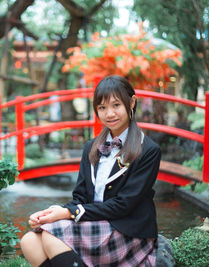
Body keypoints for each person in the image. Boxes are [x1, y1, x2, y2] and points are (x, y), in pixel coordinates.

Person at [20, 75, 161, 267]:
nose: (109, 113)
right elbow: (80, 197)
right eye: (102, 108)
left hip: (126, 229)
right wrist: (52, 213)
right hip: (94, 222)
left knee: (53, 236)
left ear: (132, 102)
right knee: (28, 242)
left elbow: (123, 205)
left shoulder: (148, 150)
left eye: (116, 105)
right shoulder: (91, 147)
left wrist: (68, 213)